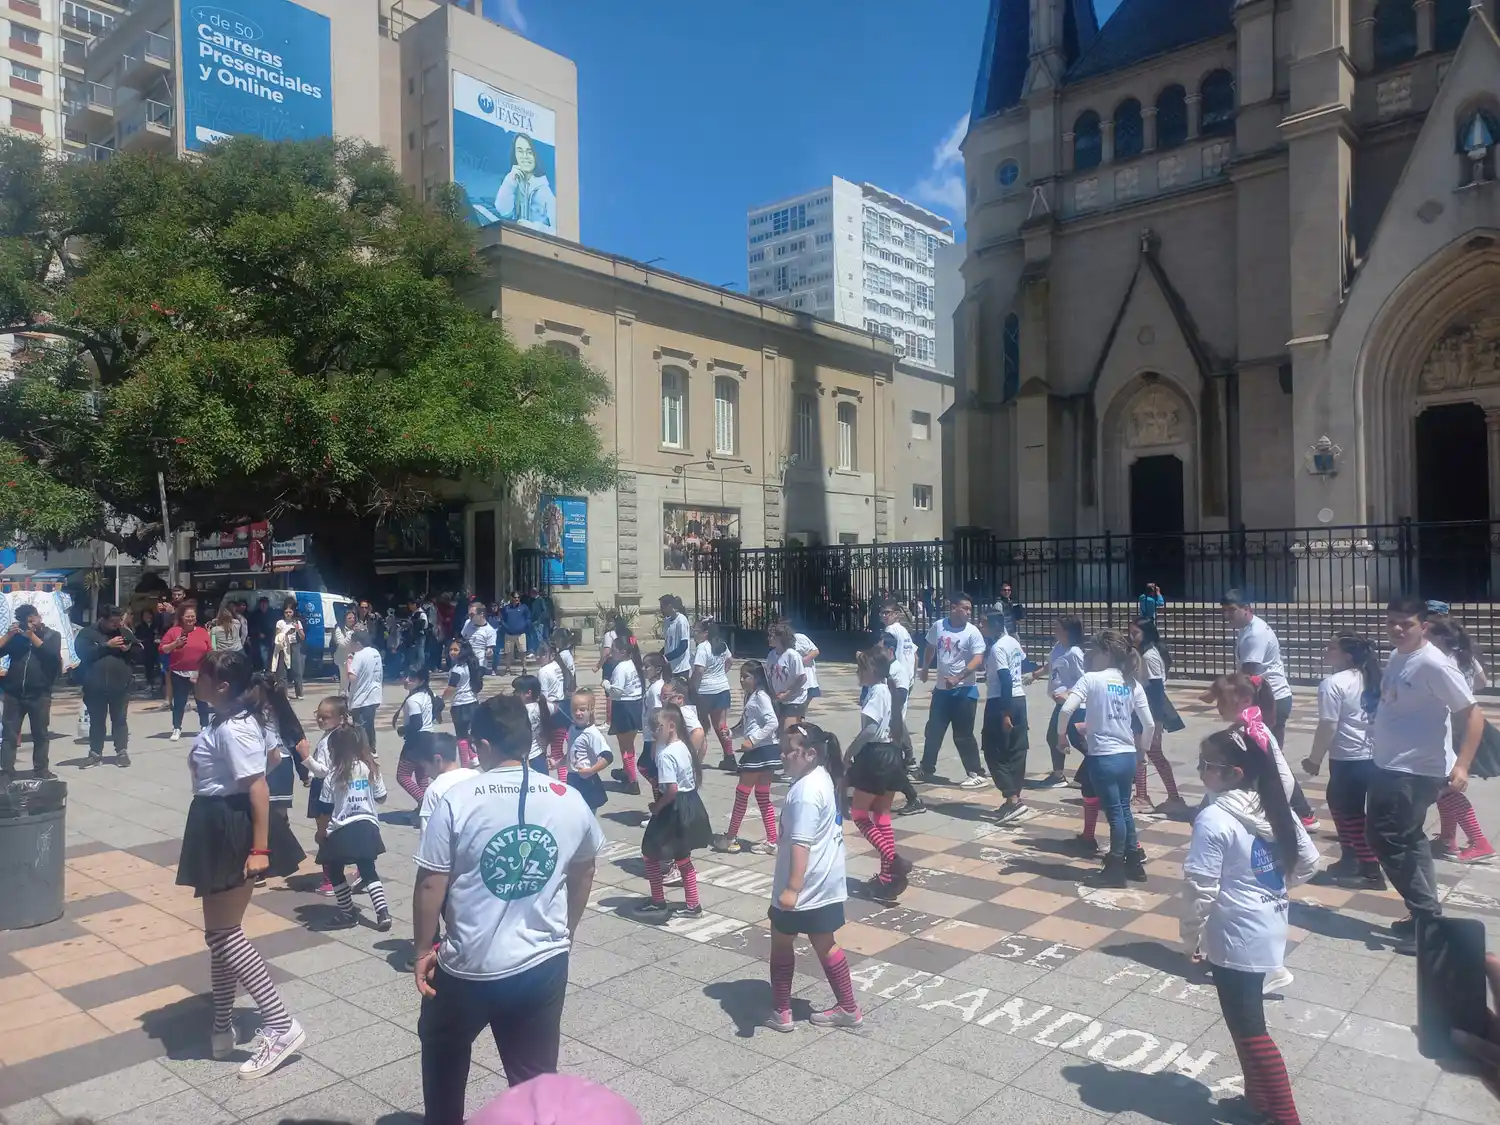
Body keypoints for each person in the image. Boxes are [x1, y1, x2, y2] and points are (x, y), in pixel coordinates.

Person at [414, 694, 605, 1119]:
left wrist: (423, 948)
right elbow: (585, 868)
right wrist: (567, 932)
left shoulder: (457, 799)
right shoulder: (567, 796)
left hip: (469, 965)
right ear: (529, 740)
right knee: (535, 1076)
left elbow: (430, 883)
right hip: (542, 962)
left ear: (481, 746)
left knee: (443, 1050)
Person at [175, 651, 306, 1078]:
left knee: (223, 934)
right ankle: (222, 1025)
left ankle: (280, 1023)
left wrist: (260, 849)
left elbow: (259, 787)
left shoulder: (233, 727)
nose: (195, 678)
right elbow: (269, 757)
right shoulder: (225, 721)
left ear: (223, 686)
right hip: (217, 820)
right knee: (221, 934)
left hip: (230, 825)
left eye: (203, 675)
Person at [1184, 727, 1318, 1125]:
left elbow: (1199, 886)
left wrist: (1190, 937)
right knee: (1245, 1021)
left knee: (1249, 1029)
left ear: (1234, 773)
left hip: (1235, 935)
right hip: (1269, 923)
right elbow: (1309, 862)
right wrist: (1275, 887)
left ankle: (1286, 1116)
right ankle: (1257, 1101)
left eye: (1207, 765)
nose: (1200, 770)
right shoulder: (1270, 803)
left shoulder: (1214, 817)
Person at [1371, 596, 1484, 954]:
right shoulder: (1397, 655)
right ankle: (1424, 915)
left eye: (1406, 623)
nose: (1398, 629)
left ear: (1424, 625)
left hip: (1414, 770)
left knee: (1385, 838)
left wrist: (1462, 764)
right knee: (1410, 839)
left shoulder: (1434, 664)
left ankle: (1427, 922)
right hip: (1391, 765)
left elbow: (1473, 714)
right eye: (1392, 622)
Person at [765, 722, 862, 1032]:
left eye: (788, 750)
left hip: (804, 885)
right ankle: (848, 1007)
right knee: (826, 943)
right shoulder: (820, 778)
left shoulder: (804, 793)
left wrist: (792, 888)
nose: (782, 755)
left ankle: (782, 1011)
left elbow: (800, 844)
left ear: (809, 754)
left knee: (781, 942)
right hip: (826, 883)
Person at [1057, 630, 1155, 887]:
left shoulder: (1091, 679)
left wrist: (1061, 737)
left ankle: (1115, 865)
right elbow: (1150, 725)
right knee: (1124, 809)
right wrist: (1142, 750)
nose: (1090, 656)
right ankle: (1133, 861)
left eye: (1094, 651)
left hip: (1103, 755)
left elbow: (1067, 708)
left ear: (1106, 653)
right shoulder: (1131, 683)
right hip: (1126, 755)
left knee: (1115, 813)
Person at [1303, 631, 1385, 889]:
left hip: (1350, 756)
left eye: (1331, 648)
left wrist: (1314, 759)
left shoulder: (1334, 683)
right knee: (1338, 802)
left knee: (1350, 813)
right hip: (1372, 755)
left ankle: (1371, 871)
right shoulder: (1372, 677)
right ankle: (1351, 857)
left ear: (1347, 655)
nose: (1326, 651)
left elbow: (1328, 724)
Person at [306, 723, 392, 930]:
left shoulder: (333, 775)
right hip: (367, 826)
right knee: (368, 870)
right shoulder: (370, 768)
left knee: (335, 871)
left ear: (334, 749)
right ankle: (383, 913)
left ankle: (348, 913)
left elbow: (325, 809)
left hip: (341, 829)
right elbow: (381, 797)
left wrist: (321, 833)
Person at [1425, 614, 1496, 864]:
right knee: (1445, 786)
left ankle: (1479, 841)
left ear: (1439, 638)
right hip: (1465, 723)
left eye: (1427, 633)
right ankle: (1447, 840)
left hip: (1451, 726)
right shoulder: (1465, 656)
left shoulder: (1440, 660)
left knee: (1446, 787)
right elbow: (1483, 682)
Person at [845, 649, 915, 899]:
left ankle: (893, 859)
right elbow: (901, 728)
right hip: (893, 754)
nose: (857, 674)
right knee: (882, 815)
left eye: (860, 669)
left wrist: (848, 753)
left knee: (859, 814)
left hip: (875, 756)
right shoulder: (890, 692)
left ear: (871, 671)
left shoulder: (876, 692)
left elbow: (869, 730)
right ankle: (886, 880)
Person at [633, 704, 711, 921]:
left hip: (673, 808)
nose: (653, 731)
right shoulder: (684, 746)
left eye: (657, 727)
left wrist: (656, 807)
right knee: (682, 856)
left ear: (671, 726)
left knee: (650, 853)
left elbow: (671, 790)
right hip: (690, 803)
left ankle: (658, 901)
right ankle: (693, 904)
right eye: (651, 728)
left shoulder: (666, 754)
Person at [918, 592, 988, 788]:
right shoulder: (939, 626)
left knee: (963, 734)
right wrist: (925, 668)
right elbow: (930, 646)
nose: (968, 612)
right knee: (933, 730)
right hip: (941, 691)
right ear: (953, 608)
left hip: (964, 691)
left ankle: (976, 772)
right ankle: (927, 767)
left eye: (969, 609)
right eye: (964, 608)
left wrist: (959, 677)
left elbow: (978, 659)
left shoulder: (972, 632)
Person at [713, 661, 781, 855]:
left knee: (742, 795)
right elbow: (748, 724)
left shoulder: (760, 696)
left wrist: (752, 740)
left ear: (757, 678)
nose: (742, 680)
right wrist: (732, 734)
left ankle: (730, 837)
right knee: (762, 796)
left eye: (746, 676)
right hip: (766, 751)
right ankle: (771, 841)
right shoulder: (751, 696)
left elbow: (772, 722)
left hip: (760, 752)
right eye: (741, 676)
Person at [1221, 590, 1295, 751]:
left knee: (1267, 756)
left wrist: (1224, 693)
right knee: (1266, 756)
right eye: (1224, 610)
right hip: (1268, 697)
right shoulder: (1248, 628)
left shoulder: (1255, 634)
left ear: (1247, 608)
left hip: (1271, 700)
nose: (1227, 615)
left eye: (1232, 610)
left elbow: (1247, 674)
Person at [1131, 617, 1187, 813]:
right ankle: (1151, 795)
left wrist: (1153, 721)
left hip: (1150, 710)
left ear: (1146, 633)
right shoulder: (1145, 654)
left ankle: (1145, 797)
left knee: (1145, 754)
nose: (1132, 637)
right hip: (1144, 710)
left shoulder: (1149, 657)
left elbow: (1156, 689)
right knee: (1148, 754)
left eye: (1135, 633)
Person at [1, 603, 62, 780]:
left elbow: (51, 654)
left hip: (39, 694)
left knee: (40, 733)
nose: (29, 624)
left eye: (31, 620)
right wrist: (9, 634)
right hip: (14, 693)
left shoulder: (52, 635)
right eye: (25, 621)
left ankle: (41, 769)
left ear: (38, 617)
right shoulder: (16, 637)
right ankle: (6, 771)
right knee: (9, 734)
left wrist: (31, 636)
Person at [76, 605, 142, 768]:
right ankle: (95, 753)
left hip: (120, 686)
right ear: (102, 619)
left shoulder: (124, 632)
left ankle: (121, 752)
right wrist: (106, 645)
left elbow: (139, 652)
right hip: (94, 687)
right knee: (97, 721)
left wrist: (128, 649)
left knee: (119, 720)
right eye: (113, 621)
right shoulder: (88, 633)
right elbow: (83, 653)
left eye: (119, 620)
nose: (117, 624)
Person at [981, 612, 1030, 824]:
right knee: (1017, 750)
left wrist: (1006, 712)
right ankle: (1014, 799)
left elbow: (1005, 679)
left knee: (993, 750)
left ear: (993, 626)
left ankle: (1012, 797)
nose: (980, 626)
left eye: (983, 623)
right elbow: (1024, 662)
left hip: (1001, 700)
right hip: (1020, 699)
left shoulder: (998, 647)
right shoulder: (1012, 642)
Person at [877, 602, 927, 815]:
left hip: (897, 686)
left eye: (888, 612)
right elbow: (914, 656)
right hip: (904, 680)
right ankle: (906, 761)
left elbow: (892, 657)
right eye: (882, 613)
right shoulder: (904, 631)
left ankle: (908, 765)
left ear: (896, 614)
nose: (884, 616)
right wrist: (912, 676)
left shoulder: (891, 632)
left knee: (890, 747)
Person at [1033, 616, 1086, 789]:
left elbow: (1084, 680)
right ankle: (1058, 775)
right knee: (1053, 737)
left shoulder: (1075, 653)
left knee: (1077, 740)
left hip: (1074, 704)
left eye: (1058, 627)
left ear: (1067, 631)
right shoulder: (1058, 647)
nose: (1054, 629)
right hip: (1060, 704)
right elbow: (1052, 665)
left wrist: (1068, 693)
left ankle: (1104, 764)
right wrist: (1036, 674)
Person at [159, 605, 212, 744]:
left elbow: (209, 650)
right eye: (187, 616)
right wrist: (175, 644)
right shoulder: (174, 631)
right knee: (179, 702)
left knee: (202, 701)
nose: (190, 619)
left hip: (199, 673)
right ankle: (177, 728)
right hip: (179, 673)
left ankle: (204, 726)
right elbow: (163, 649)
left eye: (192, 616)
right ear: (181, 617)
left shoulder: (202, 631)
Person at [690, 619, 736, 770]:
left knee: (702, 725)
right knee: (721, 725)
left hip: (704, 691)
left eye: (697, 631)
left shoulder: (702, 648)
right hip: (722, 688)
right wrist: (722, 674)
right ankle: (729, 756)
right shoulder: (721, 645)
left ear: (705, 633)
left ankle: (698, 758)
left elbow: (699, 671)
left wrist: (691, 686)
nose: (694, 634)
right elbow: (730, 660)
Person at [493, 132, 557, 232]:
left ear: (536, 156)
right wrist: (510, 181)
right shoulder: (514, 182)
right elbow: (503, 211)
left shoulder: (545, 192)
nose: (525, 156)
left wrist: (534, 228)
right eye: (520, 151)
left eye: (529, 152)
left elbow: (559, 233)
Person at [605, 634, 644, 793]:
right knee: (630, 745)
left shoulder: (620, 668)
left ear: (622, 652)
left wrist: (607, 685)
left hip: (624, 707)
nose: (611, 653)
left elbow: (617, 691)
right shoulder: (632, 664)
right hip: (635, 706)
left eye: (613, 650)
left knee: (625, 747)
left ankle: (632, 781)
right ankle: (628, 772)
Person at [417, 732, 477, 835]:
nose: (425, 772)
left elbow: (427, 834)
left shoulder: (434, 790)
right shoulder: (476, 776)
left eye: (425, 766)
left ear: (437, 760)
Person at [395, 668, 440, 805]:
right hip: (430, 738)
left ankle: (426, 804)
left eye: (412, 678)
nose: (407, 680)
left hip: (416, 742)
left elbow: (416, 724)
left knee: (403, 776)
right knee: (422, 775)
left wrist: (403, 730)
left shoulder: (413, 700)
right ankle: (422, 810)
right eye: (406, 676)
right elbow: (440, 704)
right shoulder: (429, 695)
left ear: (421, 681)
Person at [564, 688, 613, 810]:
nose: (578, 713)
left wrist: (591, 770)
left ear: (590, 710)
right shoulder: (572, 729)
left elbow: (608, 757)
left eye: (582, 709)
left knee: (588, 816)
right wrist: (558, 763)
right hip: (572, 777)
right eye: (574, 710)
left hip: (587, 781)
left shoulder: (592, 733)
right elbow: (571, 753)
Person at [535, 637, 569, 777]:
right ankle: (564, 783)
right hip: (564, 708)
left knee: (544, 750)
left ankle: (554, 783)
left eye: (542, 653)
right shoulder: (559, 666)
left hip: (550, 711)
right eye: (538, 652)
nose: (539, 656)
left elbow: (543, 697)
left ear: (551, 655)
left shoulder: (543, 671)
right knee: (558, 750)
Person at [766, 623, 810, 726]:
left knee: (789, 731)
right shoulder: (771, 655)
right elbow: (769, 676)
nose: (769, 638)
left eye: (772, 636)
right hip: (779, 699)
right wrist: (772, 692)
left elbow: (802, 678)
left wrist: (787, 694)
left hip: (794, 699)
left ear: (781, 638)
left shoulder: (792, 655)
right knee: (779, 731)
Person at [348, 630, 384, 754]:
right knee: (370, 724)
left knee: (359, 726)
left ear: (358, 643)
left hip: (361, 697)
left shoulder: (359, 655)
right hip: (375, 695)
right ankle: (372, 748)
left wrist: (348, 664)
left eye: (351, 643)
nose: (350, 645)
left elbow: (352, 677)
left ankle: (363, 750)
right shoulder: (375, 652)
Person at [444, 638, 483, 749]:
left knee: (461, 736)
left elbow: (451, 688)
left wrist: (441, 700)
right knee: (471, 734)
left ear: (463, 651)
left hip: (460, 706)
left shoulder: (457, 669)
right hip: (473, 703)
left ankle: (465, 762)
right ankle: (474, 757)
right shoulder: (471, 665)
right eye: (451, 649)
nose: (452, 652)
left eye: (456, 650)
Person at [271, 601, 306, 700]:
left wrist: (298, 629)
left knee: (297, 670)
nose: (288, 614)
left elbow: (303, 637)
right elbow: (277, 636)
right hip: (283, 646)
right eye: (286, 612)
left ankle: (299, 693)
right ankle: (284, 694)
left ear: (293, 612)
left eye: (290, 612)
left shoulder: (297, 622)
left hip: (294, 646)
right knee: (282, 672)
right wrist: (286, 633)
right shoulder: (280, 622)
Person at [498, 592, 532, 675]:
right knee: (508, 653)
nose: (517, 599)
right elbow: (501, 619)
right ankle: (508, 669)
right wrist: (506, 627)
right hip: (509, 634)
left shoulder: (524, 608)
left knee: (522, 652)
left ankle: (524, 669)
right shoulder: (506, 608)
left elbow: (528, 618)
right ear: (511, 598)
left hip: (521, 634)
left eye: (518, 597)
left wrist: (524, 626)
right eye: (515, 597)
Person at [660, 595, 692, 677]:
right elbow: (668, 644)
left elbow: (683, 645)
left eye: (662, 607)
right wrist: (659, 656)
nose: (661, 610)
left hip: (680, 669)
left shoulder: (681, 620)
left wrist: (666, 657)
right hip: (669, 668)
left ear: (670, 606)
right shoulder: (667, 621)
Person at [246, 596, 275, 671]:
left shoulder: (272, 613)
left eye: (265, 604)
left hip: (271, 639)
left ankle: (269, 671)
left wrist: (273, 636)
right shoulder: (255, 614)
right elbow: (251, 626)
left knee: (270, 657)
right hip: (258, 640)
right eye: (262, 604)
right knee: (261, 657)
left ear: (268, 604)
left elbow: (275, 626)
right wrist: (258, 633)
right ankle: (262, 671)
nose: (263, 605)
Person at [332, 609, 359, 690]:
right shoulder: (339, 628)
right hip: (344, 659)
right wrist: (351, 633)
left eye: (353, 618)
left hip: (356, 658)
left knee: (356, 681)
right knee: (345, 683)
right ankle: (342, 699)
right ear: (344, 618)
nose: (352, 620)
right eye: (349, 618)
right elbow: (342, 644)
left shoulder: (358, 627)